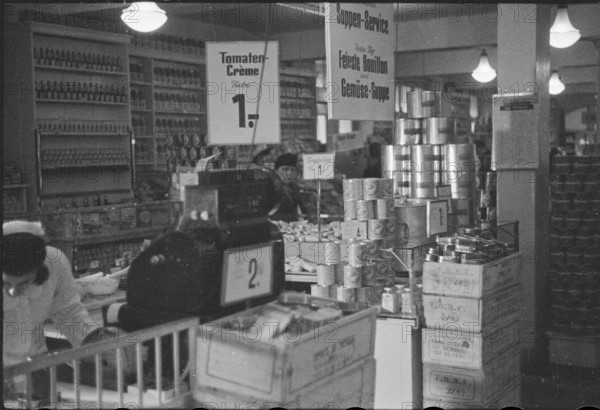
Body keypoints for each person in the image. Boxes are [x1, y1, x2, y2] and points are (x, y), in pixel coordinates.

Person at [3, 220, 119, 402]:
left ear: (40, 269)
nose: (12, 291)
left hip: (35, 365)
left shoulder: (54, 263)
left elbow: (69, 311)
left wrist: (96, 341)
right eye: (6, 284)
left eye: (24, 283)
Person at [269, 153, 306, 222]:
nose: (289, 173)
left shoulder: (293, 187)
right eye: (285, 169)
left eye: (292, 170)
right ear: (276, 170)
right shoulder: (270, 186)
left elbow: (303, 209)